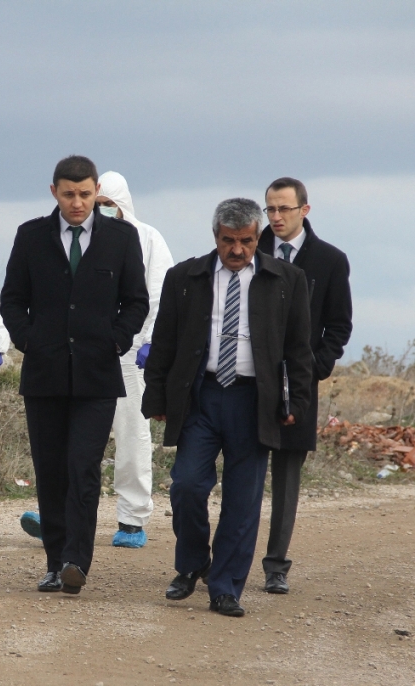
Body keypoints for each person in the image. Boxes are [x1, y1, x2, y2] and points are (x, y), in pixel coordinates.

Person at [141, 198, 313, 617]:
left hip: (255, 401)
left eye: (247, 241)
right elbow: (164, 340)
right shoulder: (185, 277)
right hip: (203, 396)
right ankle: (192, 564)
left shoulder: (287, 279)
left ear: (259, 237)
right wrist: (158, 396)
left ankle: (226, 586)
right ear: (215, 236)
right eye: (228, 241)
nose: (237, 250)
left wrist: (298, 404)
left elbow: (299, 350)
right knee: (186, 486)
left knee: (243, 499)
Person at [0, 155, 149, 594]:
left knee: (82, 467)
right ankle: (53, 561)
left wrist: (115, 340)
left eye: (85, 194)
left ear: (96, 190)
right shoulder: (31, 237)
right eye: (69, 194)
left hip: (98, 376)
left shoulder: (121, 238)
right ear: (54, 192)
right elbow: (12, 299)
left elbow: (136, 301)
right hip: (44, 376)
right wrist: (30, 340)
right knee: (51, 471)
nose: (77, 203)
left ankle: (75, 562)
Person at [19, 171, 173, 550]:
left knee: (132, 436)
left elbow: (156, 295)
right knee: (72, 445)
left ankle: (132, 517)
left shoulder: (145, 238)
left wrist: (144, 341)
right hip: (74, 356)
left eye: (105, 204)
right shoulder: (61, 237)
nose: (94, 208)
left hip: (130, 356)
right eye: (95, 202)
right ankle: (64, 516)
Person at [258, 177, 352, 594]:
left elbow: (339, 325)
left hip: (298, 384)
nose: (276, 217)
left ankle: (276, 565)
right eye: (270, 209)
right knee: (242, 470)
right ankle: (225, 559)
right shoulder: (247, 249)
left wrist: (313, 368)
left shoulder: (331, 261)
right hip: (247, 379)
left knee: (287, 477)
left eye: (284, 209)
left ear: (304, 211)